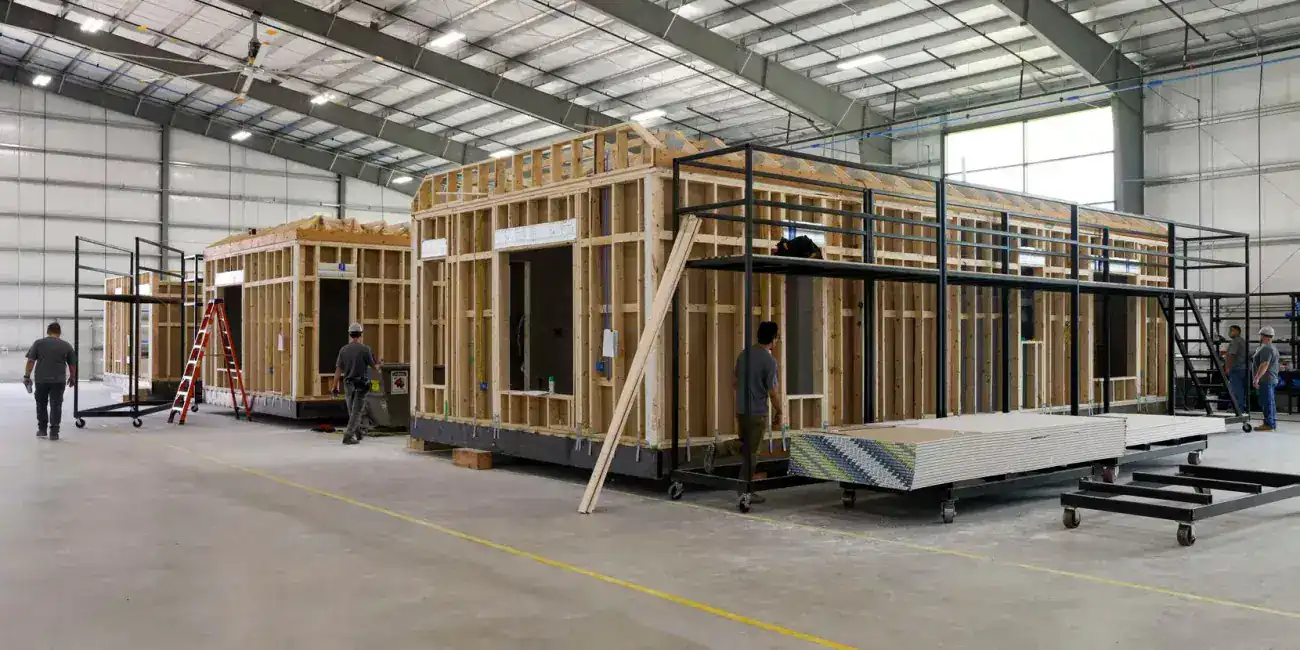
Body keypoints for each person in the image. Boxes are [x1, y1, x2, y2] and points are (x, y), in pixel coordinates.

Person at [705, 321, 782, 503]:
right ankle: (745, 490)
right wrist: (780, 411)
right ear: (773, 339)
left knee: (745, 444)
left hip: (741, 410)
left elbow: (734, 382)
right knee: (752, 452)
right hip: (757, 412)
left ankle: (718, 449)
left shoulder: (744, 355)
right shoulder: (769, 361)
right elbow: (773, 392)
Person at [24, 321, 77, 441]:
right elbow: (72, 365)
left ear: (48, 331)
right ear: (59, 333)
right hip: (58, 380)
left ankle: (42, 429)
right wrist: (72, 377)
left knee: (41, 404)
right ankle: (54, 432)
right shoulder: (66, 345)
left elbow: (31, 361)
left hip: (41, 380)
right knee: (56, 404)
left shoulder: (38, 343)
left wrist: (27, 376)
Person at [331, 322, 379, 445]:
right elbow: (374, 367)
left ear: (350, 334)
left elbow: (338, 370)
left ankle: (358, 433)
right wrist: (380, 364)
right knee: (356, 412)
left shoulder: (343, 350)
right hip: (360, 385)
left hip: (348, 384)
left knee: (352, 410)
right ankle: (348, 436)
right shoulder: (365, 349)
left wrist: (334, 386)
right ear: (360, 334)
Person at [1252, 326, 1281, 432]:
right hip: (1271, 379)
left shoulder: (1266, 348)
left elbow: (1264, 364)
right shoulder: (1272, 347)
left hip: (1266, 379)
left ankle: (1269, 424)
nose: (1260, 337)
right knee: (1270, 402)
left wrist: (1256, 378)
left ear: (1264, 336)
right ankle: (1270, 423)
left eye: (1261, 335)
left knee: (1267, 402)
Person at [1224, 325, 1250, 414]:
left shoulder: (1235, 341)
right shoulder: (1242, 341)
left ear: (1237, 331)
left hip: (1236, 369)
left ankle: (1238, 408)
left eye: (1232, 330)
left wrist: (1228, 367)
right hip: (1243, 368)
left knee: (1236, 389)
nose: (1230, 332)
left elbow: (1232, 355)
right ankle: (1242, 406)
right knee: (1241, 389)